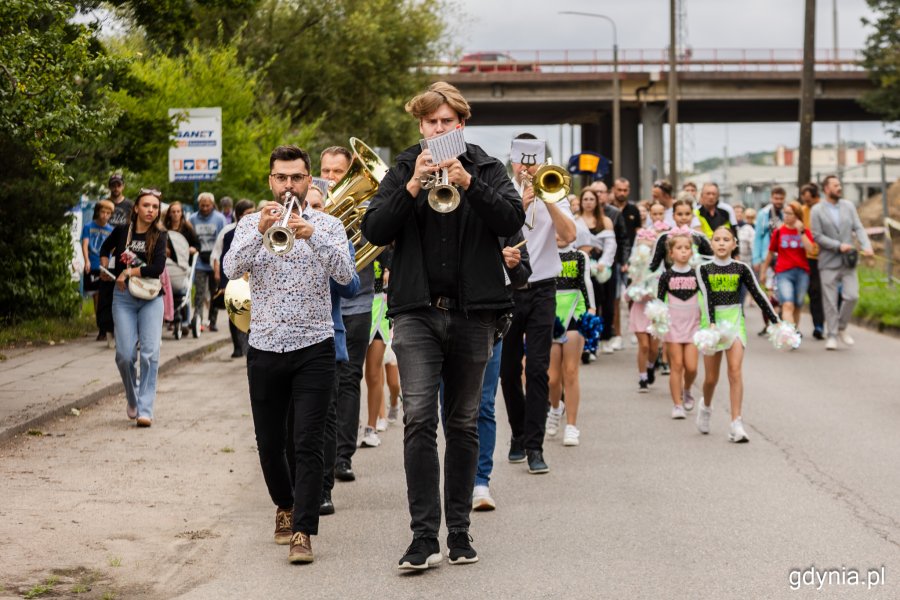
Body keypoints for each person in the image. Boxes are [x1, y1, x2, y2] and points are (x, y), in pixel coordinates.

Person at [360, 81, 524, 569]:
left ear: (461, 124)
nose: (438, 129)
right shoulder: (403, 168)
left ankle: (460, 532)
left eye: (446, 121)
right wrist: (412, 185)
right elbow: (373, 230)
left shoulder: (486, 167)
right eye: (431, 122)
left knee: (463, 422)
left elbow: (512, 218)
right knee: (418, 421)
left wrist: (469, 184)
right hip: (415, 312)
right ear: (420, 126)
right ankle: (422, 537)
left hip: (476, 313)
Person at [224, 144, 353, 564]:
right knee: (268, 442)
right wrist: (261, 231)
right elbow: (230, 270)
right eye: (281, 178)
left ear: (309, 180)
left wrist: (312, 236)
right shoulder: (248, 224)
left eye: (296, 177)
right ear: (270, 181)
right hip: (263, 345)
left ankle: (303, 530)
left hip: (314, 345)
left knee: (308, 442)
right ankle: (284, 503)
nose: (289, 185)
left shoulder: (329, 225)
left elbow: (346, 275)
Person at [501, 133, 576, 476]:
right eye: (522, 161)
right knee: (507, 368)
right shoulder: (503, 193)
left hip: (544, 287)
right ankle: (517, 433)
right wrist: (521, 203)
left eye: (533, 161)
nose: (527, 168)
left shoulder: (556, 191)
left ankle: (534, 446)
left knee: (538, 369)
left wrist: (547, 200)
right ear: (512, 161)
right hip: (510, 290)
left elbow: (569, 235)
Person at [297, 185, 360, 517]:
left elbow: (350, 288)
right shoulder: (280, 236)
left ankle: (322, 489)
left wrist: (319, 246)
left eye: (320, 207)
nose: (313, 212)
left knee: (323, 421)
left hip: (326, 342)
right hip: (284, 342)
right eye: (309, 206)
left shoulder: (336, 239)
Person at [695, 226, 780, 443]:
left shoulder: (741, 268)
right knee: (711, 379)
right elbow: (707, 297)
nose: (722, 243)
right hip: (712, 324)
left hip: (734, 322)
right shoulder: (703, 268)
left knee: (735, 371)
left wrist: (775, 320)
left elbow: (758, 294)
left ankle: (736, 424)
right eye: (717, 239)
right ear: (711, 244)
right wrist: (712, 323)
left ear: (734, 244)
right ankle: (705, 406)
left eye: (726, 239)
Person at [324, 145, 375, 484]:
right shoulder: (307, 204)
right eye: (325, 171)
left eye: (337, 173)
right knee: (321, 383)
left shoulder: (366, 209)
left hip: (356, 303)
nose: (329, 179)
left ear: (351, 173)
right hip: (317, 307)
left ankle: (343, 456)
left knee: (349, 377)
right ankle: (322, 453)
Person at [98, 189, 168, 427]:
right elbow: (104, 249)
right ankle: (132, 396)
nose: (151, 210)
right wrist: (104, 265)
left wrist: (128, 271)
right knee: (125, 355)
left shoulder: (160, 235)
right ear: (136, 208)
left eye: (155, 207)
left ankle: (145, 409)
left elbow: (157, 268)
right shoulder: (121, 232)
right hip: (124, 297)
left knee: (149, 354)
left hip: (151, 298)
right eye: (146, 205)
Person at [810, 175, 874, 351]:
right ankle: (831, 335)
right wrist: (838, 246)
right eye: (835, 185)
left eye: (839, 185)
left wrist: (866, 245)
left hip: (848, 261)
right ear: (826, 189)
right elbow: (817, 236)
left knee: (852, 295)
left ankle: (841, 327)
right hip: (828, 261)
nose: (839, 188)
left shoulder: (849, 206)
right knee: (830, 301)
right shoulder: (816, 210)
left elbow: (858, 227)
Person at [547, 236, 598, 446]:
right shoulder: (543, 253)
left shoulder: (580, 256)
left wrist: (591, 311)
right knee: (551, 378)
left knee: (570, 372)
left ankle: (571, 426)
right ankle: (556, 408)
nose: (558, 236)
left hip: (574, 315)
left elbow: (586, 283)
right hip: (549, 313)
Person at [656, 229, 702, 418]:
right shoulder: (666, 276)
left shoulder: (698, 274)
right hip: (673, 326)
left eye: (687, 248)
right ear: (671, 253)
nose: (683, 251)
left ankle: (687, 388)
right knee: (677, 365)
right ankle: (677, 404)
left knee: (691, 367)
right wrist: (658, 323)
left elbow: (706, 300)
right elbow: (659, 302)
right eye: (679, 248)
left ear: (692, 252)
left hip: (693, 325)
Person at [759, 201, 814, 329]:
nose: (786, 216)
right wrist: (763, 272)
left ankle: (794, 329)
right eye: (785, 213)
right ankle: (790, 334)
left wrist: (801, 232)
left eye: (790, 213)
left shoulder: (804, 231)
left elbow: (811, 249)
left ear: (797, 215)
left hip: (802, 272)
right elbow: (770, 253)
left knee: (798, 304)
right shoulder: (779, 232)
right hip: (784, 272)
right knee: (787, 304)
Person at [577, 187, 616, 356]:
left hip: (602, 269)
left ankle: (602, 338)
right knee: (587, 305)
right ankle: (588, 343)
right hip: (583, 268)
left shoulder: (605, 221)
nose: (588, 202)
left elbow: (611, 246)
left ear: (597, 201)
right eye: (585, 199)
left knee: (604, 305)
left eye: (591, 199)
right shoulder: (575, 220)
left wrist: (603, 264)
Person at [215, 199, 255, 358]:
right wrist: (224, 284)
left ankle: (250, 348)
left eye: (253, 212)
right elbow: (225, 258)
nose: (252, 216)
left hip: (254, 282)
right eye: (247, 214)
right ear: (238, 216)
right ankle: (238, 347)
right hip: (237, 281)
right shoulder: (230, 234)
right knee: (236, 314)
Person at [609, 177, 640, 351]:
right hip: (613, 259)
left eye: (625, 190)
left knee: (633, 296)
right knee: (615, 298)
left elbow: (637, 236)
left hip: (631, 260)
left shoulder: (634, 210)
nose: (622, 193)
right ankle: (618, 334)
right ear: (614, 189)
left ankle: (634, 329)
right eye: (619, 189)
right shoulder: (607, 210)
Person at [189, 192, 227, 332]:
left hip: (214, 260)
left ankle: (213, 321)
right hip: (199, 260)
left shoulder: (219, 218)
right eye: (202, 205)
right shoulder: (193, 218)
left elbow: (224, 238)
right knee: (199, 293)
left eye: (207, 205)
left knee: (214, 292)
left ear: (212, 205)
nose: (204, 208)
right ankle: (197, 320)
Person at [649, 197, 713, 272]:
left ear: (692, 216)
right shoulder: (664, 237)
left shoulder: (700, 237)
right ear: (673, 216)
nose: (684, 217)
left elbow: (711, 261)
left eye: (687, 214)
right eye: (679, 214)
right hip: (670, 280)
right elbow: (654, 264)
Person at [81, 200, 114, 340]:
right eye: (103, 212)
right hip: (93, 266)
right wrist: (86, 260)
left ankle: (104, 327)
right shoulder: (88, 226)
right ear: (98, 212)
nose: (105, 215)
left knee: (105, 297)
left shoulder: (111, 230)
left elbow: (113, 248)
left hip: (106, 268)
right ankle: (100, 326)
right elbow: (85, 244)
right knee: (96, 297)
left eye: (108, 213)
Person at [800, 183, 826, 339]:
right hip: (809, 258)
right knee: (814, 291)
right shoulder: (802, 211)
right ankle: (818, 325)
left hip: (826, 256)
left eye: (810, 200)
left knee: (828, 292)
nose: (808, 203)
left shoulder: (824, 208)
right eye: (805, 200)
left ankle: (825, 322)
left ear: (816, 196)